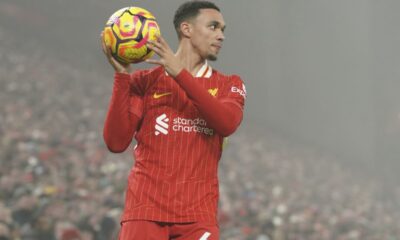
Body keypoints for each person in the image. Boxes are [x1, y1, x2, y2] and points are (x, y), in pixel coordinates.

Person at [101, 1, 246, 239]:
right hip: (146, 211)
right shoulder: (145, 81)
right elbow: (115, 143)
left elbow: (227, 123)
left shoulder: (230, 84)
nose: (221, 36)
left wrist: (179, 73)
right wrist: (122, 77)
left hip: (198, 217)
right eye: (213, 27)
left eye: (223, 30)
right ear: (186, 29)